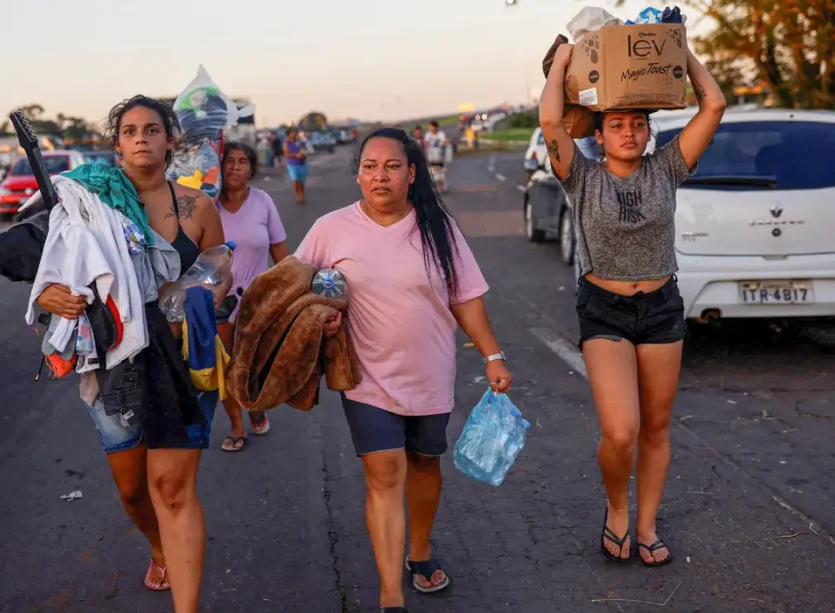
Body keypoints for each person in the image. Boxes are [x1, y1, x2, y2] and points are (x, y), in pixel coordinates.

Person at [294, 128, 512, 613]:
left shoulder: (438, 228)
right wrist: (317, 316)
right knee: (385, 471)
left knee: (424, 462)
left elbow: (466, 299)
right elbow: (294, 286)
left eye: (392, 166)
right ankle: (391, 594)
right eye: (370, 166)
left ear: (412, 173)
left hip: (430, 373)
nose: (380, 176)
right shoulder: (332, 229)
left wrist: (492, 355)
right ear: (358, 175)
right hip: (365, 377)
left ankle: (420, 551)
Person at [35, 95, 227, 612]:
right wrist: (49, 293)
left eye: (152, 129)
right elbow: (49, 265)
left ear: (170, 139)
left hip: (184, 359)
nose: (141, 137)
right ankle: (159, 544)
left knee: (171, 486)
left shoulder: (198, 206)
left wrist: (205, 295)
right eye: (129, 130)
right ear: (117, 144)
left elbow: (217, 263)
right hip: (116, 361)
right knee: (133, 492)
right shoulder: (85, 204)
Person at [539, 42, 725, 566]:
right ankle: (617, 509)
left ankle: (646, 526)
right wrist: (560, 67)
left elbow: (713, 105)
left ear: (649, 133)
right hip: (604, 309)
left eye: (637, 124)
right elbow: (552, 120)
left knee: (656, 428)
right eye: (616, 123)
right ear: (597, 135)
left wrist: (680, 55)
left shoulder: (668, 167)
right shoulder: (581, 176)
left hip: (662, 307)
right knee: (621, 430)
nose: (628, 131)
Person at [216, 141, 290, 451]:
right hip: (218, 300)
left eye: (242, 161)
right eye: (228, 161)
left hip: (257, 300)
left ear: (251, 168)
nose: (235, 167)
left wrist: (290, 292)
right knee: (226, 365)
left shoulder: (262, 202)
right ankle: (236, 425)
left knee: (254, 363)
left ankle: (255, 403)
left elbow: (280, 251)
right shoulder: (206, 203)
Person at [422, 121, 450, 192]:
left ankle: (444, 185)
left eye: (432, 127)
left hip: (440, 155)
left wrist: (445, 143)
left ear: (436, 127)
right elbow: (425, 143)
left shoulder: (440, 134)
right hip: (431, 156)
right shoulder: (428, 135)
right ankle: (435, 187)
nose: (431, 128)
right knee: (432, 173)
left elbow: (444, 141)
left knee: (442, 171)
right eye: (430, 127)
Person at [284, 128, 308, 205]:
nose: (294, 134)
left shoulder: (299, 141)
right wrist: (295, 155)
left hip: (302, 163)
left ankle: (302, 196)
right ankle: (297, 196)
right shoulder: (286, 143)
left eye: (294, 132)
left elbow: (305, 150)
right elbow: (286, 154)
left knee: (301, 181)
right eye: (292, 132)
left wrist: (303, 154)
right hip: (292, 164)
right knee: (295, 180)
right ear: (289, 134)